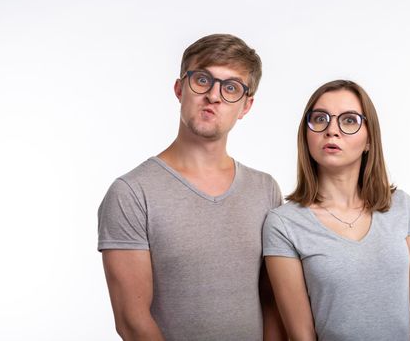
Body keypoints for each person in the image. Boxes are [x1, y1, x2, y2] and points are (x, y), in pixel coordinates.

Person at [98, 34, 286, 341]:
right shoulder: (131, 193)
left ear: (246, 106)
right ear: (179, 88)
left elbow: (272, 302)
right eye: (202, 79)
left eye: (230, 88)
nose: (213, 96)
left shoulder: (265, 190)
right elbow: (132, 322)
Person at [263, 80, 410, 340]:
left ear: (369, 139)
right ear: (306, 135)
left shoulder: (402, 208)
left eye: (349, 120)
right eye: (320, 119)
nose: (332, 130)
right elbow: (302, 334)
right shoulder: (283, 224)